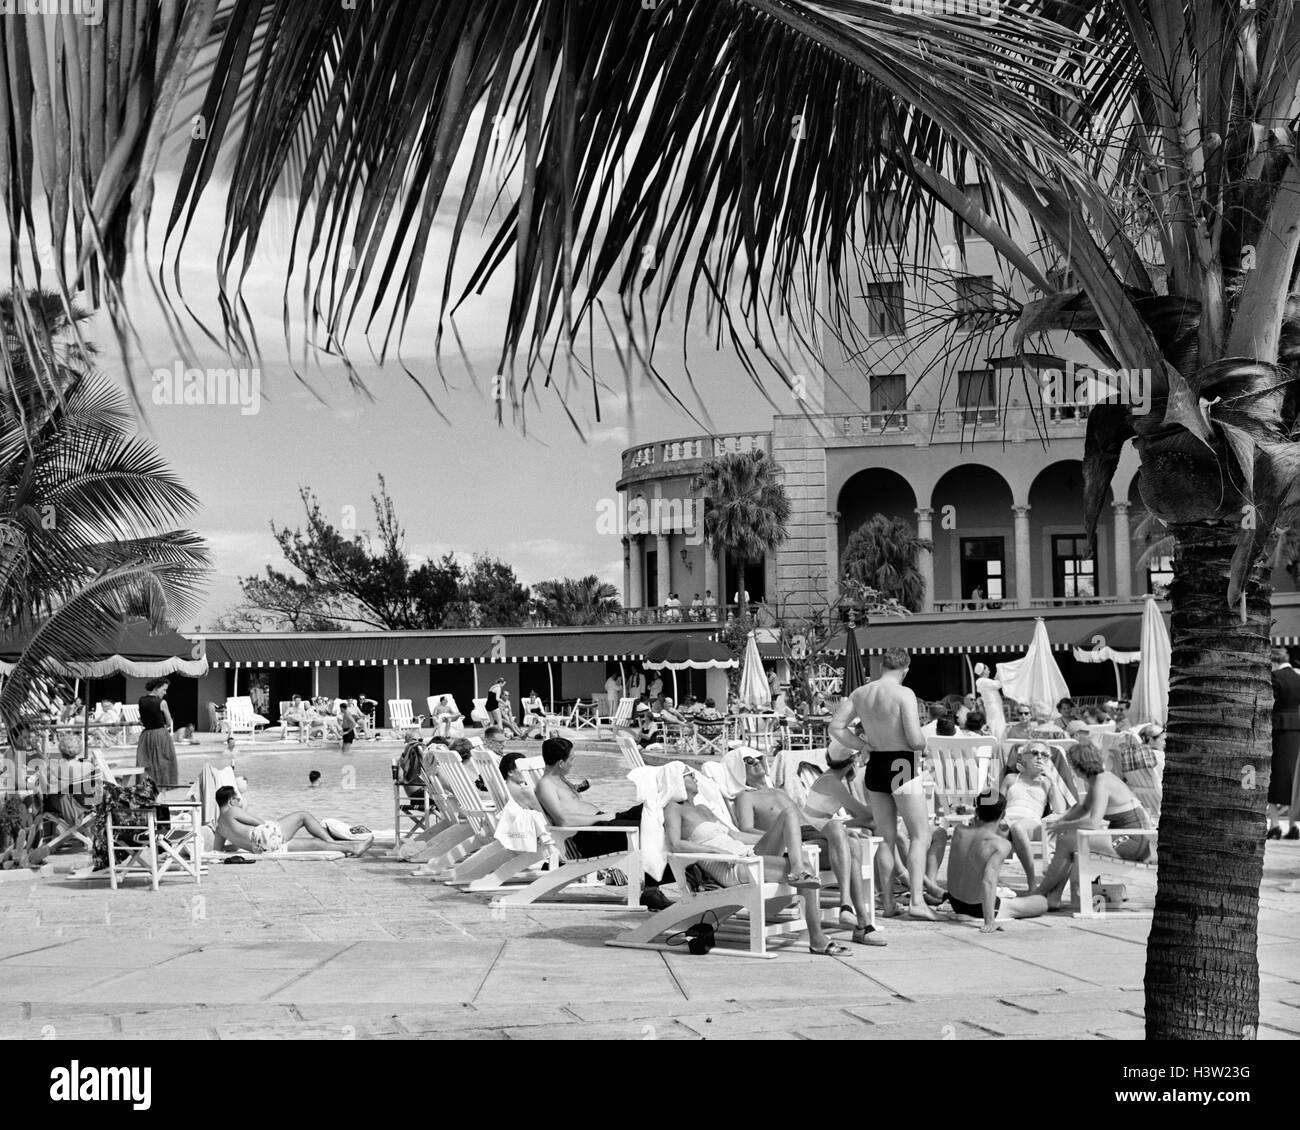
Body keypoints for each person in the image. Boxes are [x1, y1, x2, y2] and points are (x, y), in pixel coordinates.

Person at [664, 765, 848, 956]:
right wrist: (715, 850)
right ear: (676, 781)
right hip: (732, 865)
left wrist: (781, 836)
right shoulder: (673, 809)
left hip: (746, 854)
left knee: (789, 815)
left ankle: (797, 870)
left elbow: (736, 835)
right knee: (807, 867)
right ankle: (817, 939)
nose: (695, 777)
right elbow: (675, 845)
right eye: (688, 775)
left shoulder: (703, 809)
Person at [830, 646, 933, 919]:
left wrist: (862, 744)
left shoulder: (861, 693)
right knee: (920, 835)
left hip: (876, 762)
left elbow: (836, 727)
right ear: (905, 670)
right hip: (902, 762)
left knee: (884, 838)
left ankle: (887, 903)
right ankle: (917, 901)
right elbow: (914, 738)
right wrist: (924, 743)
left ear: (881, 667)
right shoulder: (904, 693)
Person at [533, 737, 669, 908]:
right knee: (650, 827)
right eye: (571, 759)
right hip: (589, 837)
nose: (572, 764)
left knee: (656, 809)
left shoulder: (560, 780)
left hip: (601, 825)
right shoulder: (545, 785)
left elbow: (570, 804)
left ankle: (669, 880)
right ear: (561, 763)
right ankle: (652, 890)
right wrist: (600, 818)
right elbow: (563, 820)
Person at [1035, 741, 1153, 909]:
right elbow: (1083, 808)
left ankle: (1039, 892)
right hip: (1130, 836)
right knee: (1070, 843)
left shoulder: (1101, 782)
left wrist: (1063, 826)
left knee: (1067, 841)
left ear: (1078, 766)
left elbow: (1093, 822)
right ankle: (1054, 896)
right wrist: (1062, 822)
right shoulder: (1098, 779)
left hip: (1133, 840)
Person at [938, 791, 1048, 930]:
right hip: (977, 908)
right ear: (1002, 815)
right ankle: (991, 915)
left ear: (977, 811)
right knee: (1041, 902)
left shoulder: (959, 831)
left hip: (955, 902)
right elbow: (988, 880)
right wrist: (989, 921)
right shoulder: (1000, 845)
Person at [214, 785, 372, 855]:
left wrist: (242, 844)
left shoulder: (219, 827)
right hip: (265, 836)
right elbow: (259, 822)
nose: (239, 801)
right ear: (230, 801)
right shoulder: (233, 811)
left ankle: (354, 848)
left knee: (315, 844)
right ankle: (335, 842)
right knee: (303, 816)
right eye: (237, 799)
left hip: (260, 849)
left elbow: (219, 850)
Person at [999, 741, 1067, 889]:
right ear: (1024, 757)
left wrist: (1052, 780)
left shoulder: (1046, 783)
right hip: (1008, 819)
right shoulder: (1011, 778)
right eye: (1035, 753)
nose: (1039, 757)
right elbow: (998, 805)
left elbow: (1060, 810)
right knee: (997, 828)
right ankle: (986, 882)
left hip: (1032, 824)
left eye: (1044, 755)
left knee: (1017, 827)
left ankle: (1031, 881)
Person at [1270, 646, 1300, 839]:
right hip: (1297, 729)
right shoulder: (1299, 677)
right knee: (1294, 777)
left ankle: (1274, 825)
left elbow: (1270, 701)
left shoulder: (1275, 676)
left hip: (1279, 729)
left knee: (1275, 777)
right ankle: (1292, 825)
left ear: (1274, 662)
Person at [136, 678, 179, 787]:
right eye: (164, 690)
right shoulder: (162, 702)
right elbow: (169, 722)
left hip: (146, 735)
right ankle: (161, 787)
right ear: (157, 688)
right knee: (163, 762)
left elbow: (142, 719)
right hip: (160, 734)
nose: (165, 692)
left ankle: (144, 787)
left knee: (145, 761)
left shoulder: (141, 700)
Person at [973, 663, 1006, 738]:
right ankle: (995, 742)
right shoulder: (982, 681)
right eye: (987, 669)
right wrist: (1000, 673)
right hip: (993, 708)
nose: (989, 671)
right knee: (995, 726)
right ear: (983, 671)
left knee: (998, 725)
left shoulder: (984, 681)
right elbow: (998, 684)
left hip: (994, 707)